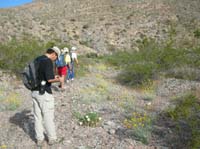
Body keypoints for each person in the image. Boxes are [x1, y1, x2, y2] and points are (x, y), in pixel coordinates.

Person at [31, 46, 62, 147]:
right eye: (56, 57)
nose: (55, 60)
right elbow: (49, 79)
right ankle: (52, 138)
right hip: (44, 93)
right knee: (48, 116)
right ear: (54, 53)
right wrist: (59, 80)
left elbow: (41, 75)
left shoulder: (37, 59)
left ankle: (39, 139)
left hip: (34, 92)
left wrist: (54, 77)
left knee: (37, 117)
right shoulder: (48, 61)